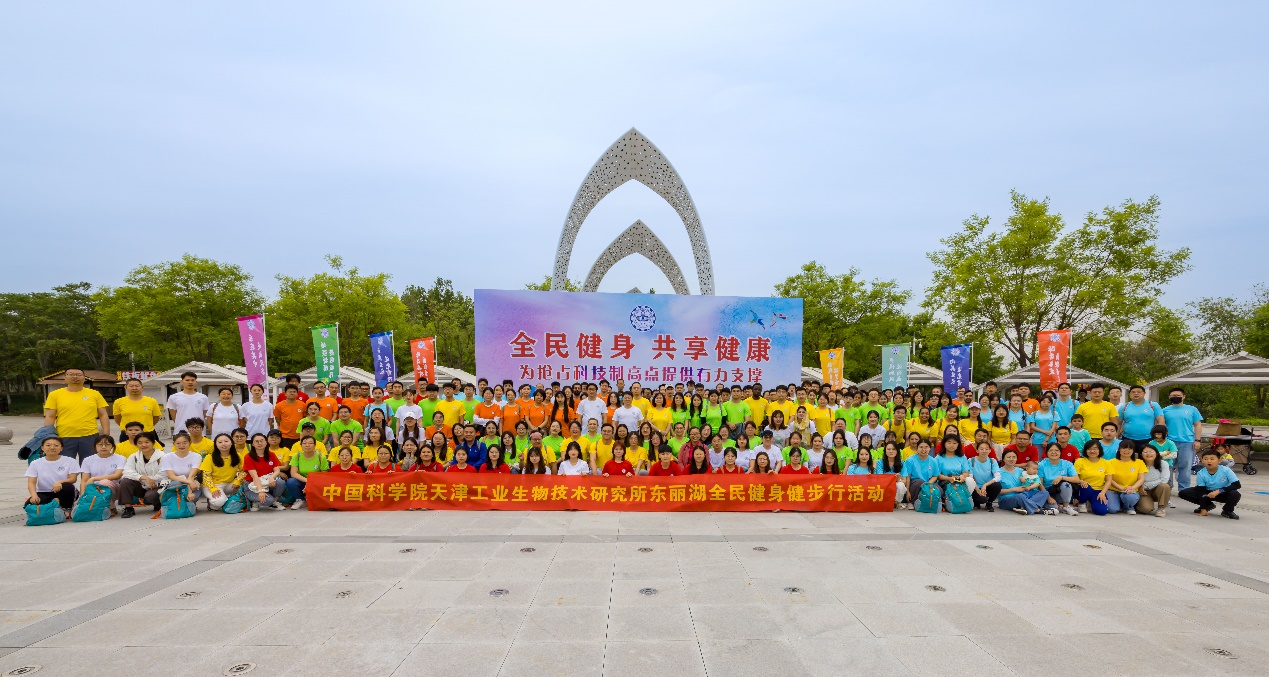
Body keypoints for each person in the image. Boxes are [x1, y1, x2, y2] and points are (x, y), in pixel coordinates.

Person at [42, 367, 111, 462]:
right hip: (64, 436)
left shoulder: (94, 394)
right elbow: (50, 416)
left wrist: (106, 434)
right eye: (71, 374)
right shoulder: (55, 394)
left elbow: (103, 414)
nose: (75, 377)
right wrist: (48, 436)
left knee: (90, 464)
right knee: (65, 464)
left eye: (78, 375)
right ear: (65, 377)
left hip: (90, 436)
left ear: (84, 378)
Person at [24, 437, 80, 518]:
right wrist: (34, 495)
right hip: (44, 492)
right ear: (42, 448)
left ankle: (67, 509)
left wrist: (59, 482)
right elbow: (31, 482)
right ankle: (55, 504)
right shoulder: (35, 463)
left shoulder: (70, 461)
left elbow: (73, 479)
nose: (52, 447)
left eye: (56, 445)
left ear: (61, 448)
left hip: (64, 491)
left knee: (67, 486)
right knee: (29, 504)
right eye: (48, 445)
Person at [1161, 387, 1204, 492]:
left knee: (1185, 466)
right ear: (1169, 397)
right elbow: (1160, 425)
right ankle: (1167, 488)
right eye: (1173, 396)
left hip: (1187, 442)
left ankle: (1184, 489)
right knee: (1168, 465)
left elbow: (1198, 425)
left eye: (1178, 395)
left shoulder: (1192, 409)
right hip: (1169, 443)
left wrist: (1197, 440)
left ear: (1184, 396)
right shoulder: (1164, 410)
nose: (1175, 397)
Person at [1179, 449, 1240, 519]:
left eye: (1212, 459)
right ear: (1202, 461)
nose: (1209, 461)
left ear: (1219, 460)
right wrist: (1203, 508)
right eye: (1206, 459)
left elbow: (1237, 484)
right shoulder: (1201, 473)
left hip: (1223, 492)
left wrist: (1219, 491)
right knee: (1184, 493)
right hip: (1207, 493)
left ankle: (1227, 510)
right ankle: (1208, 505)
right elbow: (1201, 491)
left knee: (1235, 494)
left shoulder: (1226, 470)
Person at [119, 431, 165, 517]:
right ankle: (128, 508)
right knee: (125, 481)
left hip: (157, 485)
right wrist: (144, 478)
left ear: (153, 443)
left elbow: (164, 474)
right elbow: (127, 472)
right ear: (136, 444)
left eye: (147, 442)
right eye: (140, 443)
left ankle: (158, 503)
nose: (143, 445)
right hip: (142, 484)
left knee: (150, 496)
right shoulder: (134, 457)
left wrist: (152, 480)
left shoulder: (162, 456)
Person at [78, 435, 126, 517]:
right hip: (95, 489)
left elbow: (117, 475)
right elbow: (84, 480)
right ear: (95, 446)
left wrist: (94, 478)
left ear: (112, 446)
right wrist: (82, 496)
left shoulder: (120, 458)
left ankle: (111, 507)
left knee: (104, 483)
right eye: (100, 444)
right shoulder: (87, 460)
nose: (103, 447)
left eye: (107, 444)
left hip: (115, 488)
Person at [198, 434, 244, 510]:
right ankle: (212, 505)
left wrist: (238, 481)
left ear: (231, 443)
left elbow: (244, 471)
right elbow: (206, 475)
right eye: (220, 442)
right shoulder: (209, 457)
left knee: (245, 482)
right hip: (213, 485)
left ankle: (228, 499)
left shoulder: (237, 456)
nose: (223, 444)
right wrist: (213, 488)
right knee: (219, 502)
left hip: (229, 484)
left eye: (226, 441)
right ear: (216, 445)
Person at [997, 449, 1050, 515]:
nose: (1011, 459)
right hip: (1006, 499)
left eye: (1014, 457)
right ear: (1003, 459)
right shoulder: (998, 472)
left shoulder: (1021, 471)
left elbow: (1035, 480)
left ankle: (1023, 507)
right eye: (1008, 457)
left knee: (1044, 493)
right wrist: (1014, 489)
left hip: (1025, 495)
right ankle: (1038, 510)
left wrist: (1030, 486)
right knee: (1020, 497)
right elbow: (997, 492)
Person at [283, 436, 329, 510]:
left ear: (314, 445)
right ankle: (300, 500)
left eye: (310, 443)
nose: (307, 445)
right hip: (302, 481)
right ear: (301, 445)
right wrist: (307, 481)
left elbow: (324, 475)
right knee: (291, 481)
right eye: (304, 443)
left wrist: (311, 483)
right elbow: (293, 473)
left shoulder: (321, 457)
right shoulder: (297, 456)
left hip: (316, 482)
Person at [243, 433, 284, 509]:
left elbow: (277, 470)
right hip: (252, 485)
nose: (259, 443)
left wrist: (272, 477)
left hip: (267, 482)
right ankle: (254, 501)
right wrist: (260, 491)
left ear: (266, 442)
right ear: (252, 444)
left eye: (262, 441)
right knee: (268, 500)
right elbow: (254, 476)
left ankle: (274, 502)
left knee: (280, 482)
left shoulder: (271, 455)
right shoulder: (248, 457)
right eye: (256, 441)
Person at [1036, 442, 1079, 515]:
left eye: (1056, 450)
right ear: (1047, 452)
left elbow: (1076, 479)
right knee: (1054, 508)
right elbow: (1040, 484)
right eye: (1050, 450)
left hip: (1061, 492)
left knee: (1065, 484)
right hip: (1047, 492)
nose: (1053, 452)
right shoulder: (1041, 464)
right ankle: (1050, 505)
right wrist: (1048, 497)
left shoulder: (1067, 464)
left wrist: (1061, 477)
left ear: (1060, 452)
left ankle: (1066, 506)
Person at [160, 432, 203, 501]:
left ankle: (185, 504)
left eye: (184, 443)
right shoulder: (167, 457)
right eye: (178, 443)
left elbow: (191, 476)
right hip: (174, 482)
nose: (181, 445)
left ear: (190, 443)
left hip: (191, 481)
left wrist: (190, 491)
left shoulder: (196, 456)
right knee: (177, 484)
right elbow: (172, 476)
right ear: (174, 444)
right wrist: (189, 485)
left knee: (193, 497)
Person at [1105, 444, 1146, 514]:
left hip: (1130, 490)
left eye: (1130, 449)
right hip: (1113, 489)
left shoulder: (1139, 462)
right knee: (1112, 509)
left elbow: (1141, 479)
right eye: (1124, 448)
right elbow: (1109, 479)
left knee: (1130, 498)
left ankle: (1128, 507)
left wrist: (1132, 488)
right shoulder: (1110, 462)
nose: (1127, 450)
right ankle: (1119, 503)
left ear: (1133, 451)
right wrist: (1121, 488)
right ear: (1119, 450)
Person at [1074, 441, 1111, 515]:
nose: (1092, 451)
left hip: (1098, 490)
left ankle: (1091, 503)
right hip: (1083, 488)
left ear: (1099, 450)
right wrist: (1081, 481)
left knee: (1102, 511)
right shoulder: (1079, 461)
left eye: (1095, 449)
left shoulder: (1106, 463)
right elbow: (1074, 477)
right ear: (1086, 450)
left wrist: (1102, 493)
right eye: (1089, 449)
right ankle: (1082, 503)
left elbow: (1108, 481)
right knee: (1086, 487)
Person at [1135, 445, 1172, 517]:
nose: (1148, 454)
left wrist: (1145, 485)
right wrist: (1139, 487)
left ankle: (1161, 508)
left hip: (1157, 489)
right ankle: (1137, 505)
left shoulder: (1163, 464)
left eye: (1151, 452)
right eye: (1145, 452)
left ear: (1157, 453)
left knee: (1165, 486)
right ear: (1141, 454)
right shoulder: (1137, 464)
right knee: (1146, 509)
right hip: (1143, 492)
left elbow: (1164, 480)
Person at [900, 440, 938, 509]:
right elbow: (908, 476)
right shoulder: (910, 460)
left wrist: (927, 484)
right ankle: (912, 502)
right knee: (918, 483)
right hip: (914, 483)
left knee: (939, 490)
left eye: (926, 447)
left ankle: (930, 503)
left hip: (928, 482)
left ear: (930, 448)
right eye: (921, 447)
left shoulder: (933, 461)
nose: (923, 449)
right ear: (917, 448)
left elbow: (935, 476)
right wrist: (907, 491)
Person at [968, 441, 1001, 511]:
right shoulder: (971, 461)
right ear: (977, 450)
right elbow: (970, 477)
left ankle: (989, 503)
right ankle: (976, 502)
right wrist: (977, 489)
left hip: (987, 486)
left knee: (997, 485)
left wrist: (985, 485)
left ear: (990, 450)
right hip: (975, 487)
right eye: (981, 449)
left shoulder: (992, 461)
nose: (984, 451)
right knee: (981, 499)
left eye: (986, 449)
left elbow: (998, 477)